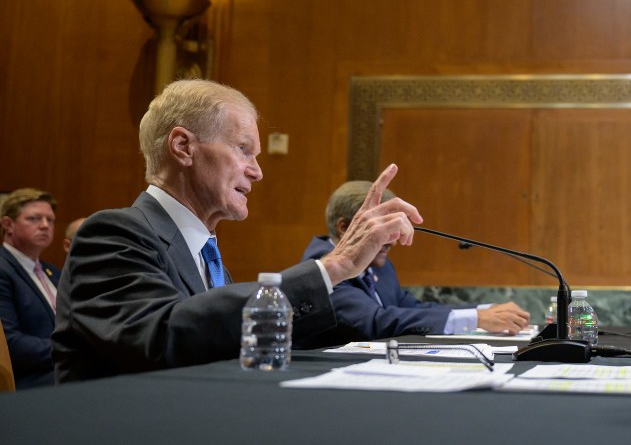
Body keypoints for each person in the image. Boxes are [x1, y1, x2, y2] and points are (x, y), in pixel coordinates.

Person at [52, 79, 421, 382]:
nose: (257, 171)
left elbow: (224, 342)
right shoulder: (112, 234)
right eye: (243, 149)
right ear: (183, 147)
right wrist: (335, 265)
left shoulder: (205, 253)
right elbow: (163, 340)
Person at [297, 181, 529, 348]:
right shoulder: (322, 269)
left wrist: (483, 311)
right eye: (384, 227)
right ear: (345, 228)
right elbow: (374, 323)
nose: (393, 240)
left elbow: (414, 308)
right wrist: (477, 320)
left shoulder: (380, 267)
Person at [0, 188, 61, 388]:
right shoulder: (3, 269)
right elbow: (9, 343)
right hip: (29, 380)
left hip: (61, 369)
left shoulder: (53, 272)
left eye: (50, 220)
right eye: (35, 219)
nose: (45, 226)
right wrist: (70, 349)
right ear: (8, 225)